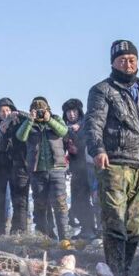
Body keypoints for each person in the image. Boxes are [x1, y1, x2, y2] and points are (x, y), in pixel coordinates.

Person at [86, 40, 139, 276]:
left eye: (132, 60)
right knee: (115, 223)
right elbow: (93, 124)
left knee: (134, 226)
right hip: (114, 165)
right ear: (113, 63)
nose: (128, 64)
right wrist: (98, 149)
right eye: (122, 60)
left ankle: (126, 269)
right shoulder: (102, 90)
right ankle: (115, 273)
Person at [16, 97, 69, 242]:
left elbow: (64, 132)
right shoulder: (28, 123)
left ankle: (64, 238)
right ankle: (44, 238)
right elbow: (20, 136)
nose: (40, 113)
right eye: (36, 110)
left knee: (60, 204)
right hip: (37, 170)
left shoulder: (56, 119)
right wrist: (30, 120)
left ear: (48, 109)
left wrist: (49, 120)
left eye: (42, 110)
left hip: (57, 169)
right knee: (40, 205)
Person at [0, 97, 29, 235]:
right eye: (2, 111)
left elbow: (31, 118)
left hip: (18, 165)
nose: (5, 113)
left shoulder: (19, 122)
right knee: (0, 200)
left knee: (19, 199)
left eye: (8, 110)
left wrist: (18, 114)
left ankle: (19, 229)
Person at [62, 98, 98, 240]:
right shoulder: (64, 128)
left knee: (94, 200)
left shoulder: (86, 125)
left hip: (89, 167)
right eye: (68, 111)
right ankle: (86, 228)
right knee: (78, 199)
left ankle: (93, 229)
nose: (71, 114)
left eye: (74, 111)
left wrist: (77, 140)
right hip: (76, 169)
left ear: (79, 112)